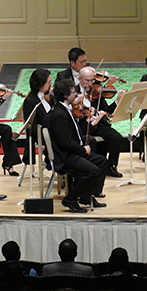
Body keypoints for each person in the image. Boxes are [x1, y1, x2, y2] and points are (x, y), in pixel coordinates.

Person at [44, 78, 108, 213]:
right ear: (65, 95)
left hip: (72, 152)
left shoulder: (65, 109)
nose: (76, 94)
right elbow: (65, 143)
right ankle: (70, 199)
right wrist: (83, 150)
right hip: (65, 156)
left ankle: (86, 195)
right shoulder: (59, 114)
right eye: (73, 92)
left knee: (102, 161)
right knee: (93, 171)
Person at [78, 66, 126, 178]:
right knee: (91, 140)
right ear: (80, 79)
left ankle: (111, 167)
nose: (90, 84)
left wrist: (117, 101)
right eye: (87, 81)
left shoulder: (97, 91)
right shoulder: (74, 92)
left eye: (92, 80)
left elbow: (107, 111)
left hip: (98, 124)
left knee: (117, 138)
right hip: (82, 125)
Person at [21, 68, 54, 166]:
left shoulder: (47, 97)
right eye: (48, 82)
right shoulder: (30, 101)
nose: (51, 85)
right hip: (41, 134)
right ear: (41, 84)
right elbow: (32, 125)